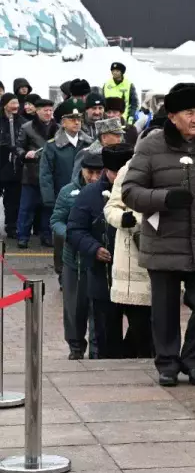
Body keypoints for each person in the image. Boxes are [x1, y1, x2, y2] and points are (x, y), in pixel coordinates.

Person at [122, 82, 195, 387]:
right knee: (165, 310)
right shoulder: (151, 145)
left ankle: (194, 359)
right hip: (163, 243)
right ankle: (168, 364)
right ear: (172, 116)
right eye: (190, 112)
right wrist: (164, 198)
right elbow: (130, 192)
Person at [66, 145, 136, 359]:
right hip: (102, 273)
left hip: (136, 273)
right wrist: (94, 248)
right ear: (107, 171)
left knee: (143, 328)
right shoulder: (90, 193)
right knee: (104, 330)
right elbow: (75, 229)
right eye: (116, 173)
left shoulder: (138, 189)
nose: (120, 177)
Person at [54, 151, 104, 359]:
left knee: (97, 307)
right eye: (89, 172)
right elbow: (56, 220)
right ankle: (75, 346)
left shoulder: (106, 192)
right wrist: (73, 236)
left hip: (97, 259)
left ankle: (96, 347)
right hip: (73, 260)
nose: (93, 177)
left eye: (97, 173)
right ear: (81, 170)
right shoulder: (68, 192)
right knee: (74, 307)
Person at [103, 157, 154, 358]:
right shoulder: (130, 168)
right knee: (140, 322)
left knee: (161, 321)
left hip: (167, 252)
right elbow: (111, 207)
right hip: (134, 257)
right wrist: (123, 219)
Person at [42, 103, 93, 275]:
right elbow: (46, 174)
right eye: (72, 119)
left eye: (78, 119)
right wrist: (49, 199)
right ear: (63, 122)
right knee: (61, 236)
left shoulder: (89, 143)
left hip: (85, 193)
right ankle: (62, 272)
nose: (76, 123)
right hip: (61, 196)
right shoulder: (52, 145)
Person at [15, 98, 57, 249]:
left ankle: (46, 235)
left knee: (48, 207)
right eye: (45, 110)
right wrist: (25, 154)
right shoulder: (27, 127)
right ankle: (23, 236)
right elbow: (18, 147)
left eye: (50, 110)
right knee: (26, 207)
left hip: (50, 174)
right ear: (37, 111)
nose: (48, 113)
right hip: (31, 173)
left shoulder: (58, 128)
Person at [0, 93, 23, 239]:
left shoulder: (22, 121)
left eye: (16, 103)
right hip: (1, 160)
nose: (15, 106)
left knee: (12, 198)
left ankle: (12, 226)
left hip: (13, 165)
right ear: (4, 105)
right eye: (12, 103)